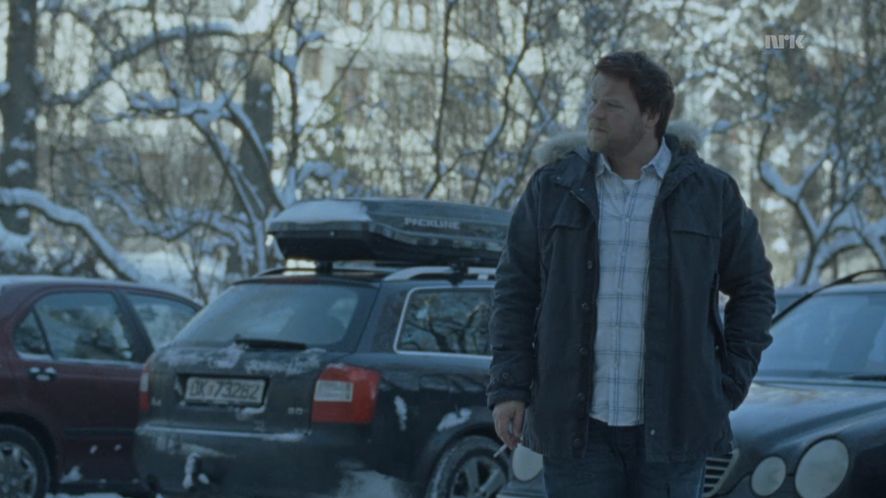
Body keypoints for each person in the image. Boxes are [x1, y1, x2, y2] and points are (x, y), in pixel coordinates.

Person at [486, 51, 775, 498]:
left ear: (651, 115)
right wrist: (509, 387)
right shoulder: (553, 187)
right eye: (593, 101)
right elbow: (514, 292)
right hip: (576, 433)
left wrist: (726, 384)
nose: (595, 113)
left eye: (612, 105)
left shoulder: (710, 193)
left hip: (675, 428)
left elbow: (754, 289)